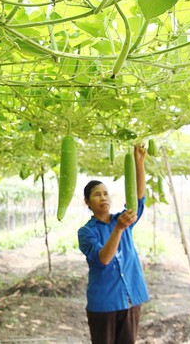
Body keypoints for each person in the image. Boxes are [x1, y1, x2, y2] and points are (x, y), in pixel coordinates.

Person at [77, 144, 150, 344]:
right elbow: (103, 259)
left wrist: (139, 164)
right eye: (97, 194)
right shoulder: (86, 232)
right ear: (87, 202)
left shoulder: (123, 219)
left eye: (106, 193)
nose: (103, 197)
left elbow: (139, 198)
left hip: (130, 299)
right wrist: (118, 229)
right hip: (103, 304)